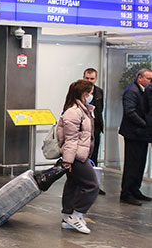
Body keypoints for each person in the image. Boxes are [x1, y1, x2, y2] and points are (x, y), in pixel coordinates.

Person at [57, 79, 98, 234]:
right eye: (90, 92)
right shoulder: (73, 112)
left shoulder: (83, 110)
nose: (92, 95)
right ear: (84, 94)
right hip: (75, 157)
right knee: (92, 185)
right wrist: (68, 161)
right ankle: (77, 215)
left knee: (73, 185)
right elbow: (70, 139)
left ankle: (67, 217)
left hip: (79, 155)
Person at [119, 68, 152, 206]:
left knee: (140, 163)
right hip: (133, 133)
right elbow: (130, 112)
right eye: (148, 79)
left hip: (141, 134)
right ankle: (126, 193)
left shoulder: (144, 91)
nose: (150, 82)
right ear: (140, 78)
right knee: (132, 164)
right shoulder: (132, 91)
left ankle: (135, 189)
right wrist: (144, 123)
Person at [82, 68, 105, 195]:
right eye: (87, 78)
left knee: (94, 156)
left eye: (92, 79)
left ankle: (94, 184)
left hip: (95, 128)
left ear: (95, 79)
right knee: (83, 156)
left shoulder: (99, 91)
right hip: (83, 128)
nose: (89, 81)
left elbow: (100, 110)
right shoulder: (77, 90)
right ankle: (82, 184)